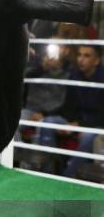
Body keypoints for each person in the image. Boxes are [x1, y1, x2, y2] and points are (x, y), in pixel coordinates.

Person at [38, 45, 104, 178]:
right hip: (77, 121)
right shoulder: (74, 75)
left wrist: (79, 125)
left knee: (88, 136)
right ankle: (47, 174)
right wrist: (46, 114)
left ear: (97, 61)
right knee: (49, 122)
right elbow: (68, 106)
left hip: (95, 124)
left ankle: (68, 176)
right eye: (79, 55)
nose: (81, 59)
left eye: (86, 56)